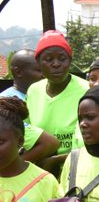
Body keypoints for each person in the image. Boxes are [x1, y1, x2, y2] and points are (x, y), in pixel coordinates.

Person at [26, 30, 87, 169]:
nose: (56, 64)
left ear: (70, 60)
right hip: (39, 168)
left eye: (62, 58)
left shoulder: (86, 90)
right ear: (38, 62)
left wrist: (56, 160)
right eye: (48, 59)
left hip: (76, 168)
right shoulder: (34, 91)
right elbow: (28, 133)